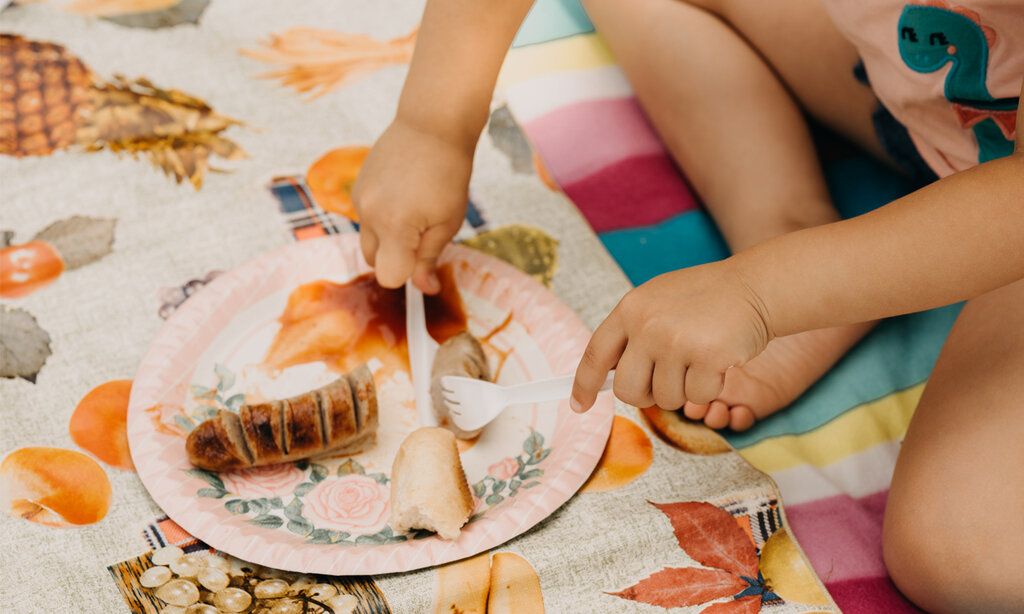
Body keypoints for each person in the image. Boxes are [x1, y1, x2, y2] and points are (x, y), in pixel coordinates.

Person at [353, 1, 1022, 610]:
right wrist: (435, 121)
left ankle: (821, 272)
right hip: (941, 98)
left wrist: (768, 292)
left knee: (964, 550)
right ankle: (785, 228)